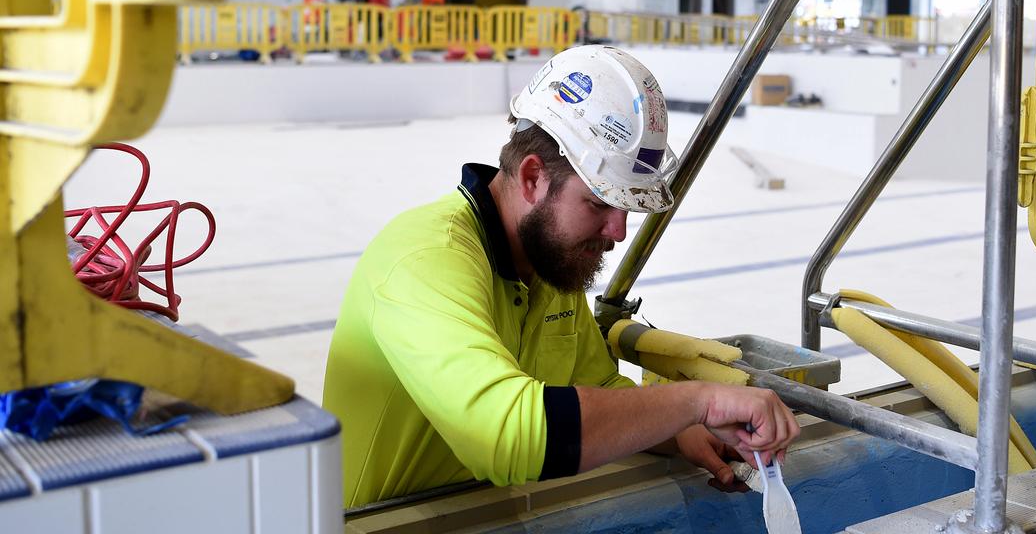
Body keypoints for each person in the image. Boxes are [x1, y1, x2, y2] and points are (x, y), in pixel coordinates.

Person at [323, 45, 799, 508]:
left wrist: (683, 432)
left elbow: (599, 385)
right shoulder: (425, 258)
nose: (618, 231)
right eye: (598, 203)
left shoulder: (550, 263)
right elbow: (502, 435)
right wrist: (699, 403)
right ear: (532, 178)